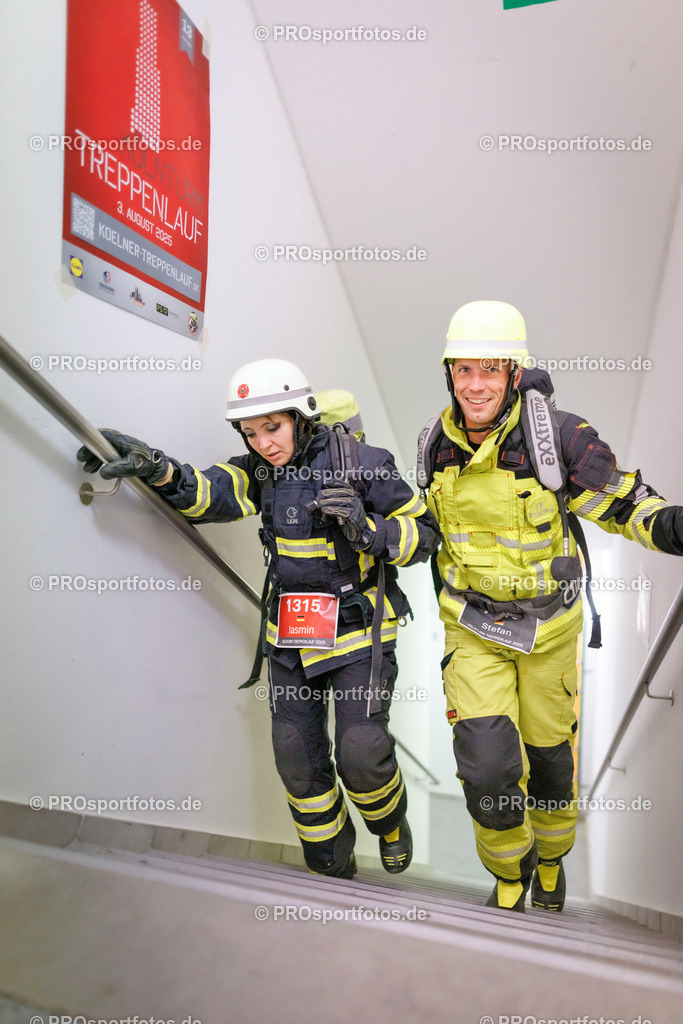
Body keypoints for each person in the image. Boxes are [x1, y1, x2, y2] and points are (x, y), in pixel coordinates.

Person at [78, 358, 440, 879]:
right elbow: (207, 493)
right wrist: (156, 466)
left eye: (273, 427)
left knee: (361, 753)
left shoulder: (366, 462)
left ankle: (389, 825)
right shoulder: (258, 471)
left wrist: (369, 530)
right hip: (290, 634)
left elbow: (423, 535)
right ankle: (330, 861)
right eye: (251, 433)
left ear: (302, 415)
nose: (264, 443)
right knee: (295, 755)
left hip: (360, 631)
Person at [419, 300, 683, 912]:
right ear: (450, 375)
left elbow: (621, 504)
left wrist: (672, 526)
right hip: (473, 627)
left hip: (550, 634)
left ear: (514, 373)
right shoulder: (434, 444)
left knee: (550, 764)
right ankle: (510, 870)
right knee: (486, 766)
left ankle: (552, 858)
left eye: (490, 370)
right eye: (463, 371)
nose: (475, 385)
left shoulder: (559, 437)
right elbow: (427, 529)